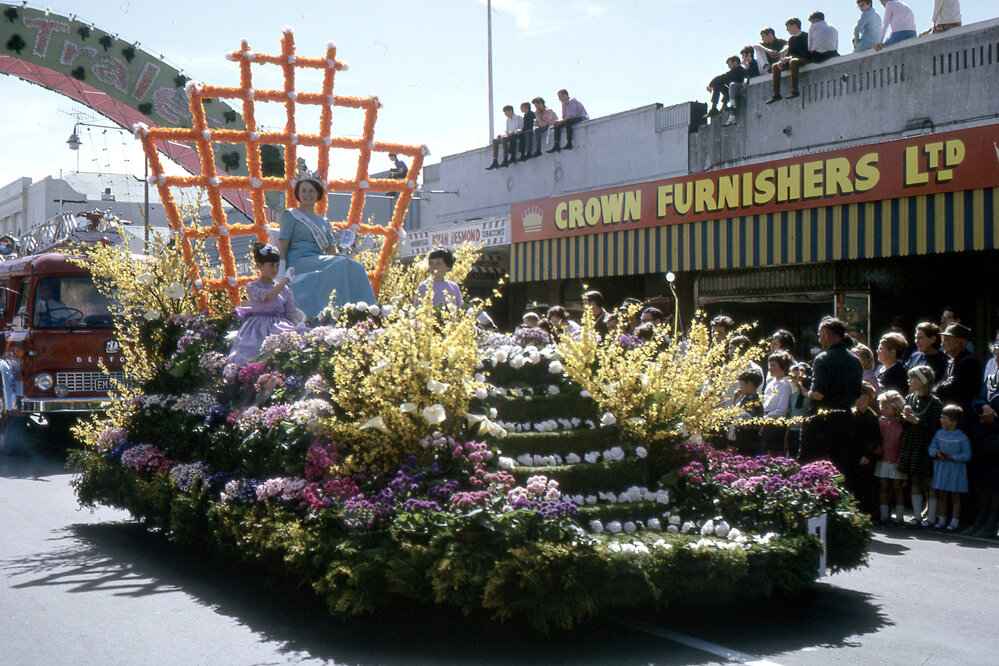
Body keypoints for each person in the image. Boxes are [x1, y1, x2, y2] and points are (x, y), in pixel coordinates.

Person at [278, 178, 377, 319]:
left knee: (357, 266)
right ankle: (340, 314)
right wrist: (281, 269)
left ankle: (368, 313)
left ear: (318, 194)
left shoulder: (323, 221)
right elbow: (283, 244)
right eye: (303, 191)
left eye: (311, 191)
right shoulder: (291, 215)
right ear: (298, 194)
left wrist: (350, 252)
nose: (307, 194)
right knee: (340, 264)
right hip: (297, 261)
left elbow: (331, 251)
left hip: (318, 259)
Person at [227, 243, 306, 366]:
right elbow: (269, 295)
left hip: (280, 325)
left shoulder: (284, 289)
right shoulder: (253, 286)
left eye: (277, 265)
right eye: (271, 265)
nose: (275, 269)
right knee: (253, 356)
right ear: (260, 265)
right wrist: (284, 281)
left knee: (298, 343)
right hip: (258, 329)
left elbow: (291, 314)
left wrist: (299, 327)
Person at [800, 317, 863, 465]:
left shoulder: (822, 359)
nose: (819, 340)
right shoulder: (855, 360)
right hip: (845, 419)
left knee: (811, 466)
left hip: (822, 421)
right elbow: (857, 394)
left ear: (826, 334)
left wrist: (804, 392)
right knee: (841, 466)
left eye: (820, 335)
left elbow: (817, 394)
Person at [899, 365, 943, 526]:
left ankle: (931, 517)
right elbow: (904, 423)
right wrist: (905, 417)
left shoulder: (934, 402)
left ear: (923, 381)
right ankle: (917, 515)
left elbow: (936, 426)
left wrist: (917, 421)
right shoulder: (909, 399)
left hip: (926, 444)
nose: (909, 381)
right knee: (915, 479)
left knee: (929, 481)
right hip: (911, 442)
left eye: (913, 378)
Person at [928, 404, 972, 531]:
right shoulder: (939, 434)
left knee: (955, 497)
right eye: (941, 417)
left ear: (954, 421)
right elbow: (932, 447)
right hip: (941, 470)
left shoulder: (962, 437)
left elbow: (967, 455)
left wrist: (952, 457)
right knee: (942, 495)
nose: (941, 420)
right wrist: (936, 453)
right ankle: (941, 521)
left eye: (944, 418)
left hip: (955, 472)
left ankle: (954, 522)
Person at [934, 322, 983, 432]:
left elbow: (954, 390)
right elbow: (941, 385)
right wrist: (942, 386)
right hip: (949, 417)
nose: (942, 344)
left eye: (945, 340)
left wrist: (939, 387)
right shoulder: (950, 362)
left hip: (962, 420)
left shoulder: (969, 362)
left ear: (957, 342)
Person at [872, 390, 907, 524]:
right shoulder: (880, 422)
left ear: (896, 408)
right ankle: (884, 515)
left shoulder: (901, 424)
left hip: (896, 461)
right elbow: (877, 439)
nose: (883, 410)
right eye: (882, 407)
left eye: (887, 407)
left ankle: (900, 516)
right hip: (883, 460)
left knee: (898, 489)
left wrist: (900, 460)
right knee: (883, 488)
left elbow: (903, 443)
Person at [767, 18, 810, 104]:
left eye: (788, 27)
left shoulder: (806, 36)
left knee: (793, 61)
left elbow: (806, 52)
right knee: (776, 66)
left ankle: (794, 90)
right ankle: (776, 94)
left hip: (805, 59)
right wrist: (783, 61)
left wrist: (790, 58)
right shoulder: (791, 39)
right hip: (793, 60)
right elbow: (790, 53)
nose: (787, 29)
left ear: (795, 26)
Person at [762, 350, 794, 455]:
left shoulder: (785, 384)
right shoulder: (770, 383)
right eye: (769, 365)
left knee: (778, 453)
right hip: (767, 422)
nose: (770, 368)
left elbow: (782, 410)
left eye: (773, 365)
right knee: (768, 453)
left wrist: (767, 417)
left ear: (783, 366)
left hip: (777, 424)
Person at [906, 321, 949, 386]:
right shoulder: (915, 356)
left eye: (920, 338)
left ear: (933, 339)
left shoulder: (945, 361)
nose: (916, 341)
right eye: (916, 338)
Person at [548, 89, 588, 153]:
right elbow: (564, 116)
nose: (559, 98)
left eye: (560, 96)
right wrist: (559, 122)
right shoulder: (563, 103)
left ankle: (569, 142)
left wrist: (561, 121)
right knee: (556, 125)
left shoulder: (572, 101)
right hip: (571, 118)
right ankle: (556, 145)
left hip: (580, 117)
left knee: (568, 122)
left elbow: (572, 115)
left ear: (565, 95)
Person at [485, 105, 523, 170]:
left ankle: (505, 159)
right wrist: (501, 135)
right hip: (509, 135)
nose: (505, 114)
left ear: (510, 111)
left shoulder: (518, 118)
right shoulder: (508, 120)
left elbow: (520, 128)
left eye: (506, 112)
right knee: (495, 141)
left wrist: (511, 133)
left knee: (504, 139)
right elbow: (507, 131)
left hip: (516, 135)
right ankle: (495, 161)